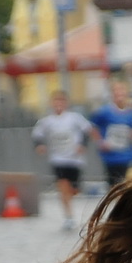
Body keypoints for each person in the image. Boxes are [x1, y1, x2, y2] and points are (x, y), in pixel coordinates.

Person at [34, 90, 97, 230]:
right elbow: (37, 135)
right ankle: (68, 216)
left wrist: (82, 145)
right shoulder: (47, 121)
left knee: (74, 189)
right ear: (51, 103)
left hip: (74, 159)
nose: (58, 104)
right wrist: (40, 146)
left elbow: (87, 130)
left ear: (66, 103)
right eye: (56, 101)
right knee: (63, 186)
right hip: (57, 159)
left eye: (61, 101)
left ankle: (71, 196)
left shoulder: (75, 118)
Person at [94, 80, 132, 189]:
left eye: (122, 93)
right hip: (110, 154)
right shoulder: (104, 111)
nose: (119, 96)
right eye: (116, 93)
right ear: (112, 95)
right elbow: (93, 126)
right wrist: (101, 142)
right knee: (113, 183)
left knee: (126, 182)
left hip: (127, 153)